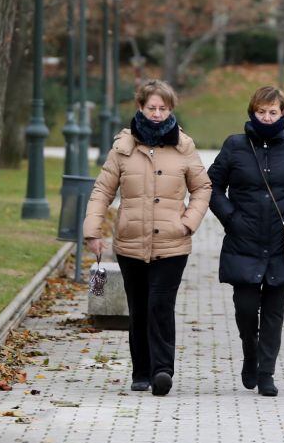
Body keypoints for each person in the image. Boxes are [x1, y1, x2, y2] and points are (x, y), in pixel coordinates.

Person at [84, 79, 212, 397]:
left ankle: (162, 370)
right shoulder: (123, 148)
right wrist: (92, 231)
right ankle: (140, 371)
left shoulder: (184, 147)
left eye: (163, 108)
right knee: (138, 307)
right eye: (151, 107)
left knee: (160, 304)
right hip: (130, 242)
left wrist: (188, 223)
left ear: (171, 110)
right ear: (140, 107)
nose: (157, 113)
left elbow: (202, 188)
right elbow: (102, 190)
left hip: (172, 243)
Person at [207, 85, 284, 397]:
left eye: (273, 112)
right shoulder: (235, 146)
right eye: (261, 111)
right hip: (244, 239)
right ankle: (251, 354)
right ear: (252, 112)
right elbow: (211, 185)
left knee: (273, 313)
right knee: (245, 309)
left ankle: (266, 372)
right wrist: (230, 217)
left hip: (282, 241)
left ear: (283, 113)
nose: (267, 118)